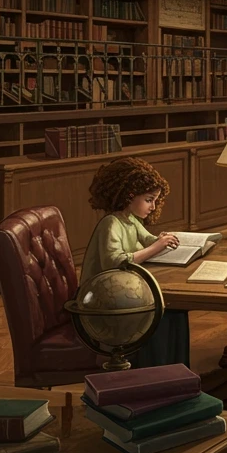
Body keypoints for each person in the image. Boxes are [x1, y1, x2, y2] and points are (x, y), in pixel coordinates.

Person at [80, 157, 191, 368]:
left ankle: (175, 372)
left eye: (156, 200)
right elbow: (116, 261)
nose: (153, 206)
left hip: (122, 291)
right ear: (129, 195)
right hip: (102, 301)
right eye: (149, 199)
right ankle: (154, 372)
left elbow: (148, 240)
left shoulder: (130, 220)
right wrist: (157, 247)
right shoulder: (111, 223)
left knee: (176, 311)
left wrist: (160, 239)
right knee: (161, 312)